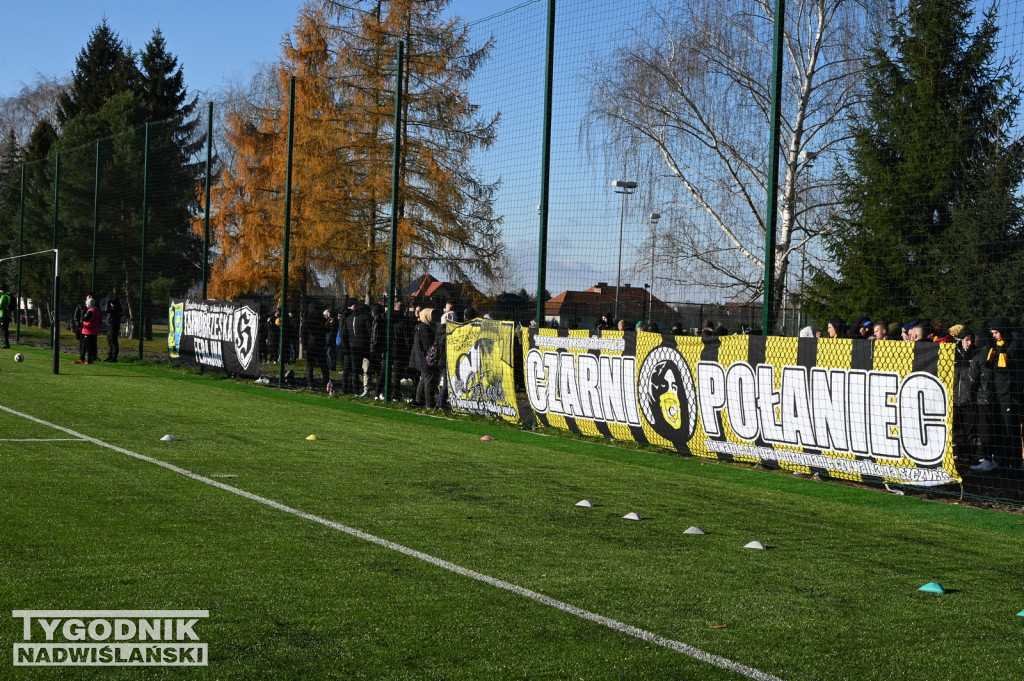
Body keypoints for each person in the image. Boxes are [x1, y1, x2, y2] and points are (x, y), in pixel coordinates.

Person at [971, 317, 1020, 473]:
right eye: (992, 333)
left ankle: (1015, 462)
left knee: (1009, 429)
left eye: (996, 332)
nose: (994, 336)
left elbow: (1016, 372)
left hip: (1008, 395)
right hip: (995, 395)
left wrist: (1015, 393)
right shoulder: (995, 347)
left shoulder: (1015, 346)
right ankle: (1001, 460)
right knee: (998, 429)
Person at [408, 308, 438, 407]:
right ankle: (429, 403)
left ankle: (419, 400)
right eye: (431, 315)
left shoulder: (420, 327)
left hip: (421, 359)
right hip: (427, 360)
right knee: (428, 381)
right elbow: (428, 346)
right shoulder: (425, 329)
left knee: (423, 380)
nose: (433, 317)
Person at [303, 305, 331, 391]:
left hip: (318, 346)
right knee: (311, 367)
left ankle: (326, 383)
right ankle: (311, 383)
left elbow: (327, 330)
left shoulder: (319, 319)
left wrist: (326, 325)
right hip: (312, 346)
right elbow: (304, 334)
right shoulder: (308, 320)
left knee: (323, 366)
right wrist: (305, 347)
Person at [74, 293, 101, 364]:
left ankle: (87, 359)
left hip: (88, 330)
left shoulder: (90, 311)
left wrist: (84, 311)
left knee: (86, 345)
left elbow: (84, 318)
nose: (86, 305)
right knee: (88, 345)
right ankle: (86, 359)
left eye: (87, 304)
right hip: (93, 330)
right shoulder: (97, 310)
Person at [104, 294, 121, 362]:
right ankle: (110, 356)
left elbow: (107, 310)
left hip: (113, 326)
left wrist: (108, 302)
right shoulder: (115, 307)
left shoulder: (116, 308)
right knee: (110, 341)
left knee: (113, 341)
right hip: (110, 326)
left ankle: (114, 357)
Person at [0, 284, 11, 349]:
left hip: (4, 314)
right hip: (4, 314)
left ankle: (6, 344)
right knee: (4, 329)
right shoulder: (6, 295)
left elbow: (1, 306)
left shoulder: (5, 296)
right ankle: (6, 344)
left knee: (4, 329)